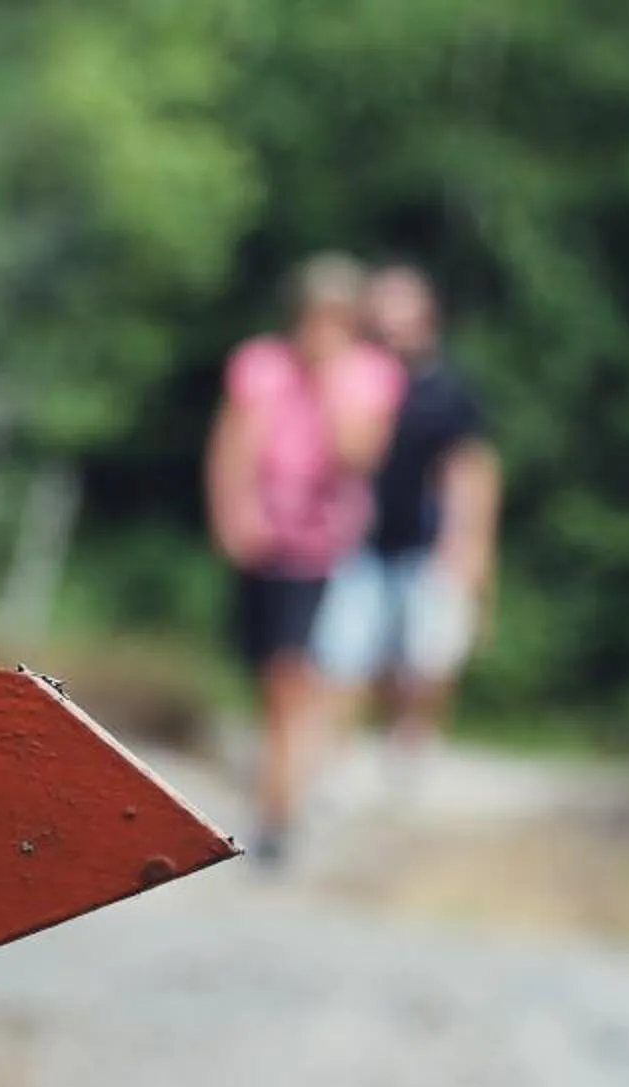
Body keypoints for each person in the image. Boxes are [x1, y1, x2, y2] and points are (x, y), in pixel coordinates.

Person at [204, 255, 403, 864]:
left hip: (326, 550)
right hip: (267, 541)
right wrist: (233, 514)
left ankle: (280, 812)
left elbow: (359, 458)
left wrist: (328, 389)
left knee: (295, 678)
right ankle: (285, 779)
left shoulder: (370, 377)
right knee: (271, 678)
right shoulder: (260, 365)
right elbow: (232, 444)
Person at [313, 264, 503, 753]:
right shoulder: (355, 376)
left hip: (428, 539)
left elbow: (471, 467)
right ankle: (342, 748)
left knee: (429, 656)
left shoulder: (448, 388)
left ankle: (413, 739)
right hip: (361, 539)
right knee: (346, 654)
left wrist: (471, 544)